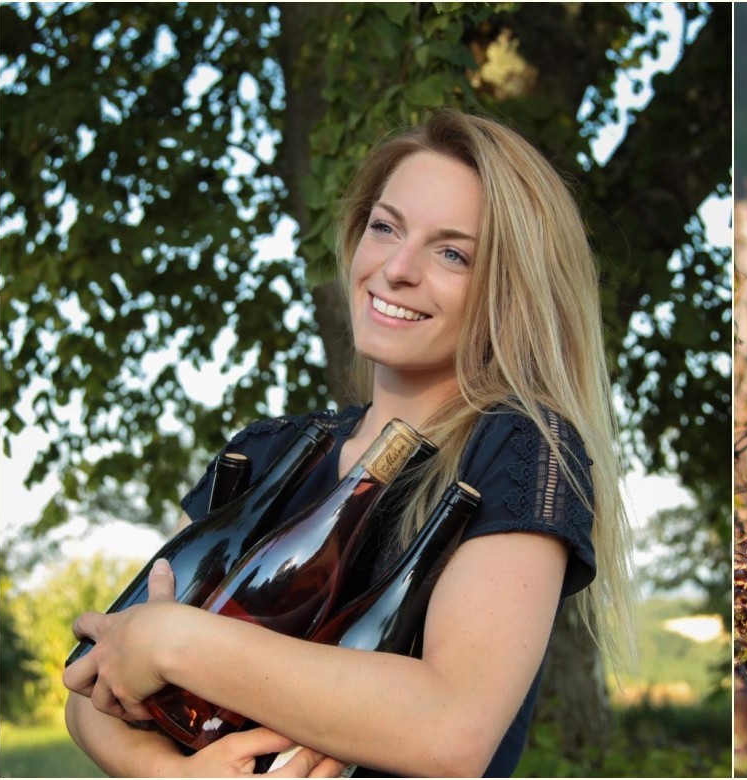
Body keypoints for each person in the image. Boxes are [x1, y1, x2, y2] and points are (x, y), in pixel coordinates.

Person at [62, 110, 635, 777]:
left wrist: (175, 643)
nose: (396, 268)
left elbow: (450, 729)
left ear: (511, 290)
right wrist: (173, 773)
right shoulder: (266, 452)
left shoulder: (518, 451)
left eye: (452, 253)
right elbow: (92, 677)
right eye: (385, 227)